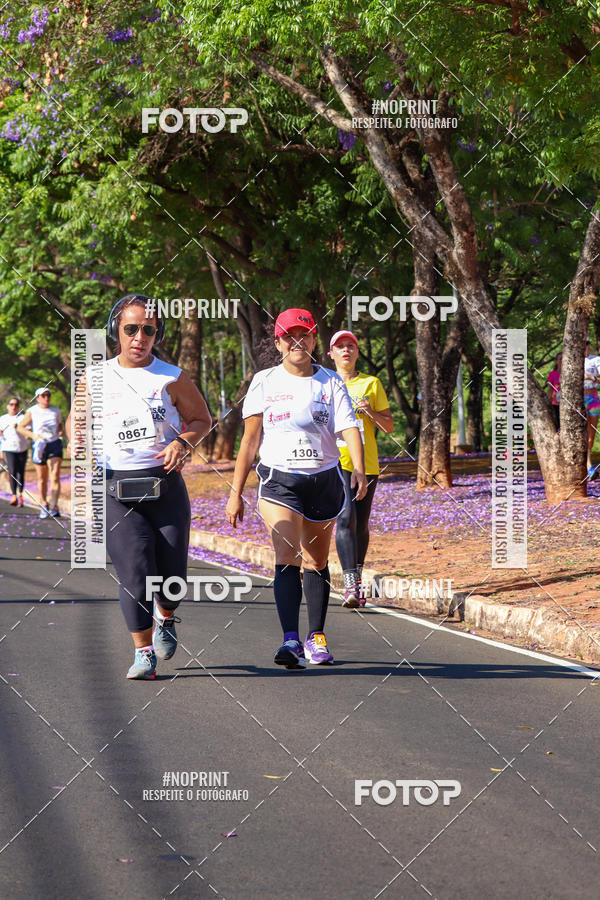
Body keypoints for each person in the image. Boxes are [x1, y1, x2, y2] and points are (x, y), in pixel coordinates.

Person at [65, 294, 211, 680]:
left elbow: (201, 419)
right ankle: (143, 653)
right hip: (116, 488)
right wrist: (78, 441)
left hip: (164, 485)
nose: (140, 336)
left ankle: (167, 616)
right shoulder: (95, 377)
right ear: (117, 329)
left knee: (172, 574)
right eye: (131, 328)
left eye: (149, 329)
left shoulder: (172, 377)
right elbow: (75, 423)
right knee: (135, 571)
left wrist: (182, 442)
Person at [226, 308, 367, 669]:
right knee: (286, 551)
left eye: (303, 334)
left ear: (313, 339)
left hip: (323, 479)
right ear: (278, 342)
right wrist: (235, 492)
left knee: (316, 561)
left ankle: (316, 637)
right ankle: (290, 640)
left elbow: (349, 428)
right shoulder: (264, 381)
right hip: (279, 480)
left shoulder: (330, 382)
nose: (296, 342)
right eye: (288, 336)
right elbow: (250, 440)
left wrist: (361, 472)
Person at [328, 331, 394, 607]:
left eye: (351, 346)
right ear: (331, 353)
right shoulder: (324, 383)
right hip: (333, 461)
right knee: (345, 519)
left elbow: (389, 426)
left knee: (360, 524)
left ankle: (356, 580)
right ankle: (352, 585)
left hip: (365, 464)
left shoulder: (371, 383)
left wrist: (370, 412)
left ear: (357, 352)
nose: (346, 350)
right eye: (340, 347)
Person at [17, 388, 64, 518]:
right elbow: (20, 427)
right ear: (37, 397)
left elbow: (60, 425)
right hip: (39, 445)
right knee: (42, 479)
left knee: (54, 476)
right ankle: (44, 504)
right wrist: (33, 436)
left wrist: (61, 432)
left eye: (48, 395)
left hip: (54, 444)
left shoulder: (56, 411)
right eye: (43, 395)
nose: (46, 397)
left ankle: (54, 505)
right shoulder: (32, 411)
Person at [0, 398, 28, 506]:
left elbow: (28, 433)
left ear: (18, 406)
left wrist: (19, 428)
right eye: (11, 404)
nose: (13, 406)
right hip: (8, 448)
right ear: (8, 406)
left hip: (22, 448)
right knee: (12, 471)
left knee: (20, 472)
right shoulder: (2, 419)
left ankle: (20, 494)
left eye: (16, 404)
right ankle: (14, 495)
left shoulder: (22, 418)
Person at [584, 339, 600, 480]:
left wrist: (594, 378)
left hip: (593, 398)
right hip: (580, 398)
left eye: (586, 344)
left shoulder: (595, 360)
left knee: (591, 435)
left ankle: (588, 466)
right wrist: (590, 376)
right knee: (582, 432)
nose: (585, 347)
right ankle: (589, 466)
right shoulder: (572, 360)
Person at [546, 352, 561, 430]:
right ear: (556, 361)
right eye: (560, 359)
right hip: (555, 403)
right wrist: (548, 402)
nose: (562, 361)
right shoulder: (552, 374)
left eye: (563, 359)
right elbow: (550, 389)